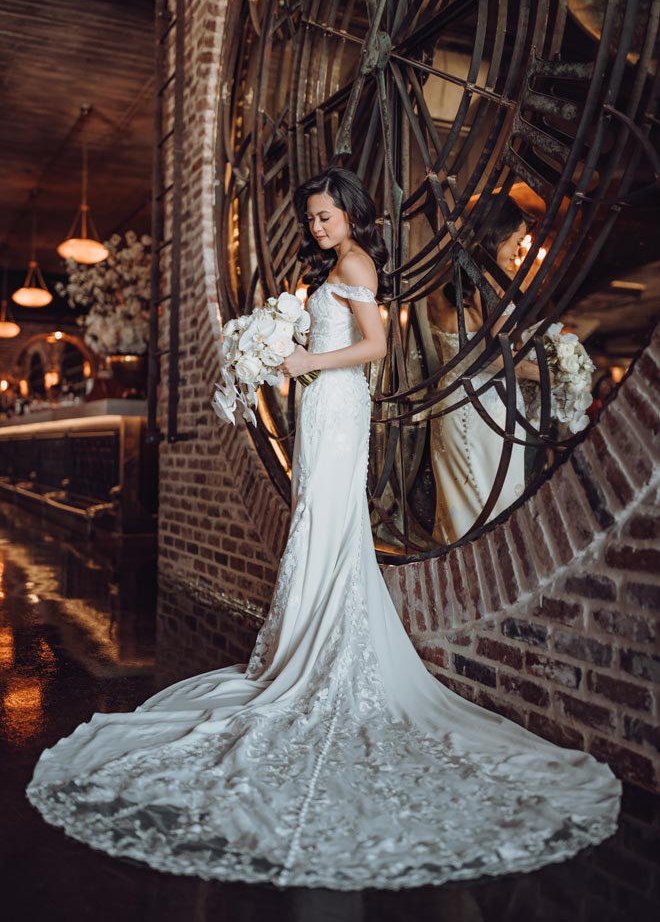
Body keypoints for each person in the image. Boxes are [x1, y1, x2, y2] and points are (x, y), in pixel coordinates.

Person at [27, 168, 620, 890]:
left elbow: (372, 346)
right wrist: (277, 355)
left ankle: (326, 648)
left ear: (351, 214)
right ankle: (307, 638)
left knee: (323, 519)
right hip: (319, 401)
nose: (317, 225)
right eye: (310, 217)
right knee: (315, 518)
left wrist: (308, 358)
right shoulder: (334, 267)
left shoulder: (359, 263)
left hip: (339, 403)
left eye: (326, 215)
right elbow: (338, 338)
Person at [427, 195, 542, 544]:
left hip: (449, 400)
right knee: (493, 515)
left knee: (460, 514)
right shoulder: (490, 284)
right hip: (486, 408)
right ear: (497, 234)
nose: (518, 250)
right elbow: (496, 356)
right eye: (516, 240)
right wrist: (543, 373)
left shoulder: (442, 281)